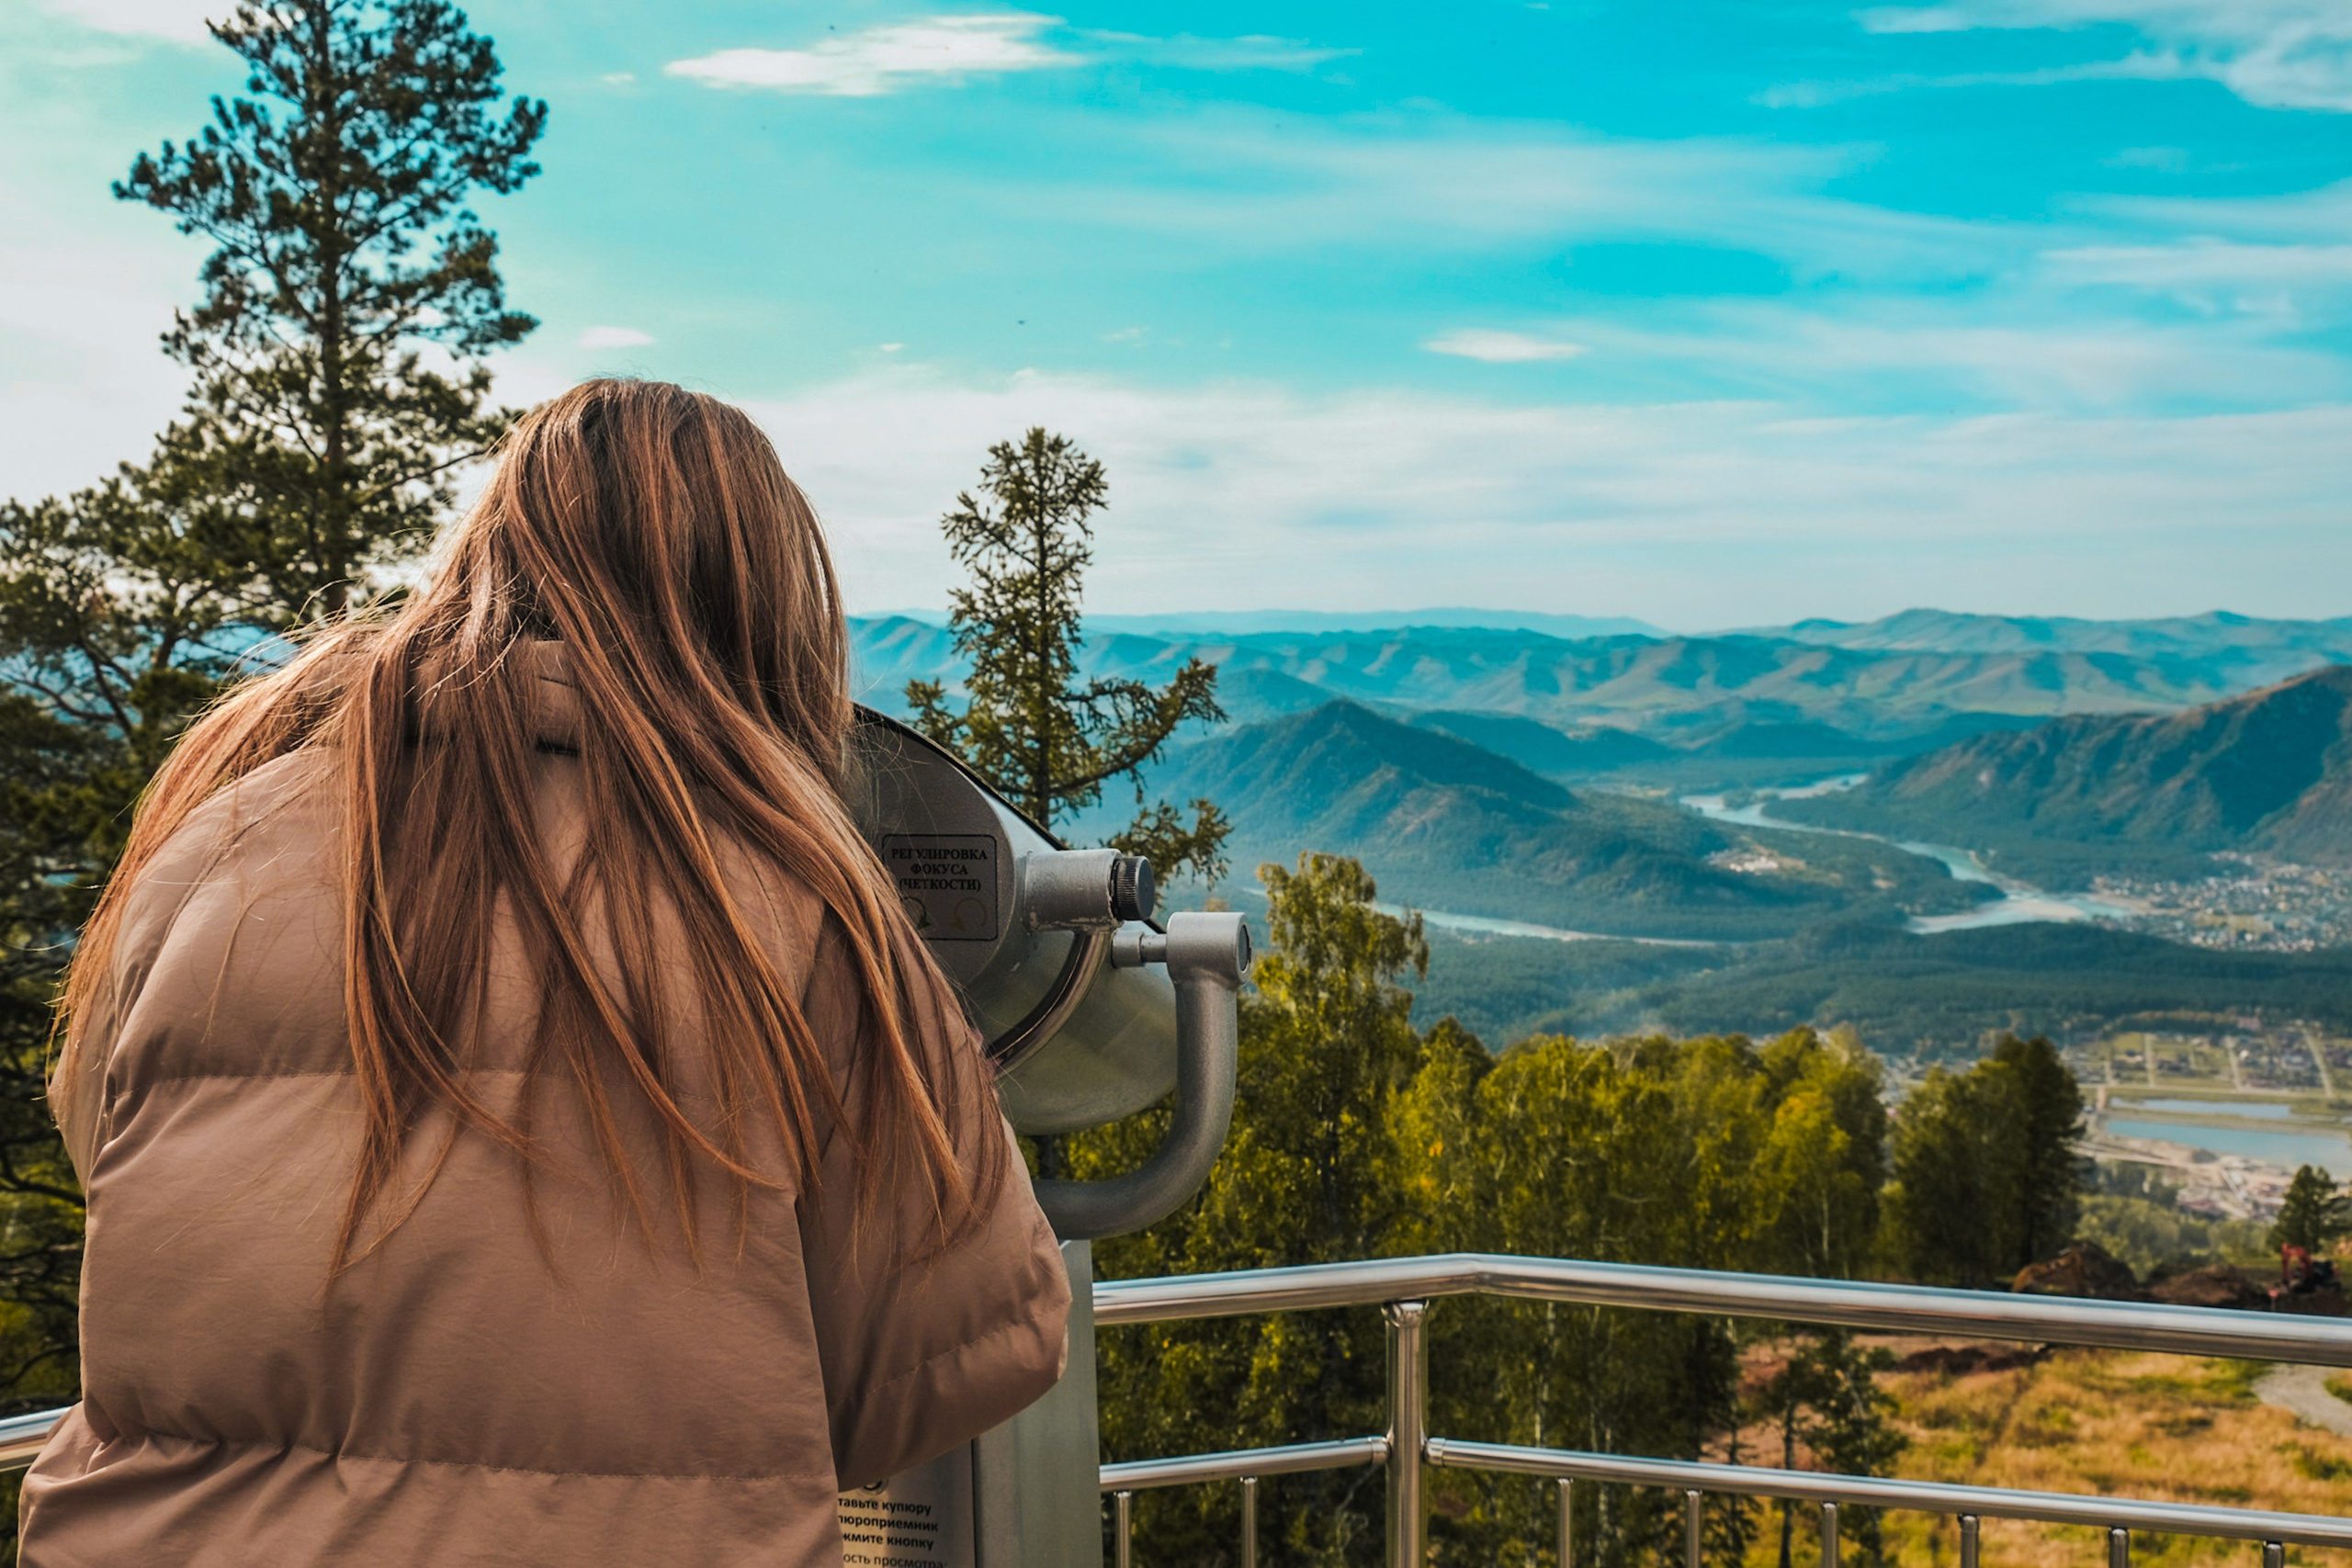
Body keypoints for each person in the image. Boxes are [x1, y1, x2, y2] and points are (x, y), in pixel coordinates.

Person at [24, 380, 1072, 1564]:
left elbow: (110, 1147)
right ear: (763, 612)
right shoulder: (792, 902)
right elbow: (963, 1341)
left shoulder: (218, 838)